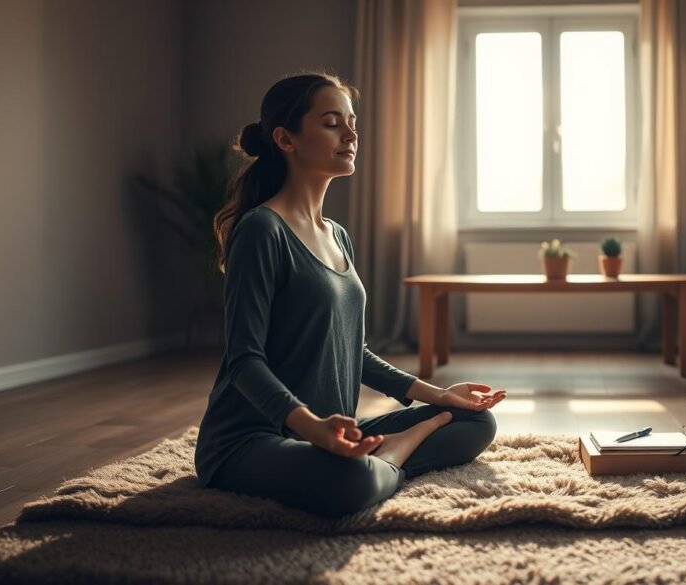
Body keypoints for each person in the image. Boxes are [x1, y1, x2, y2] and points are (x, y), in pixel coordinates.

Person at [194, 72, 506, 518]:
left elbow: (353, 352)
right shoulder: (261, 231)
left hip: (328, 433)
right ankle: (392, 458)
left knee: (475, 421)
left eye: (352, 122)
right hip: (249, 440)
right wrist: (311, 427)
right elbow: (245, 360)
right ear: (286, 138)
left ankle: (379, 457)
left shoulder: (337, 235)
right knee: (350, 481)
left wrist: (438, 395)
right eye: (332, 123)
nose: (351, 134)